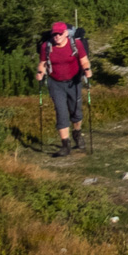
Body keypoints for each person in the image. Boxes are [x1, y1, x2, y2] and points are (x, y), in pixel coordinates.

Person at [36, 21, 93, 156]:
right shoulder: (46, 46)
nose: (57, 36)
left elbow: (84, 60)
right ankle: (65, 145)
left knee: (76, 112)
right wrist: (40, 72)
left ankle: (77, 132)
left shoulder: (76, 44)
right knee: (61, 112)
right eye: (54, 34)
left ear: (66, 34)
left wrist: (87, 70)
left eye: (59, 34)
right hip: (55, 83)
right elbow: (42, 63)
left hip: (73, 81)